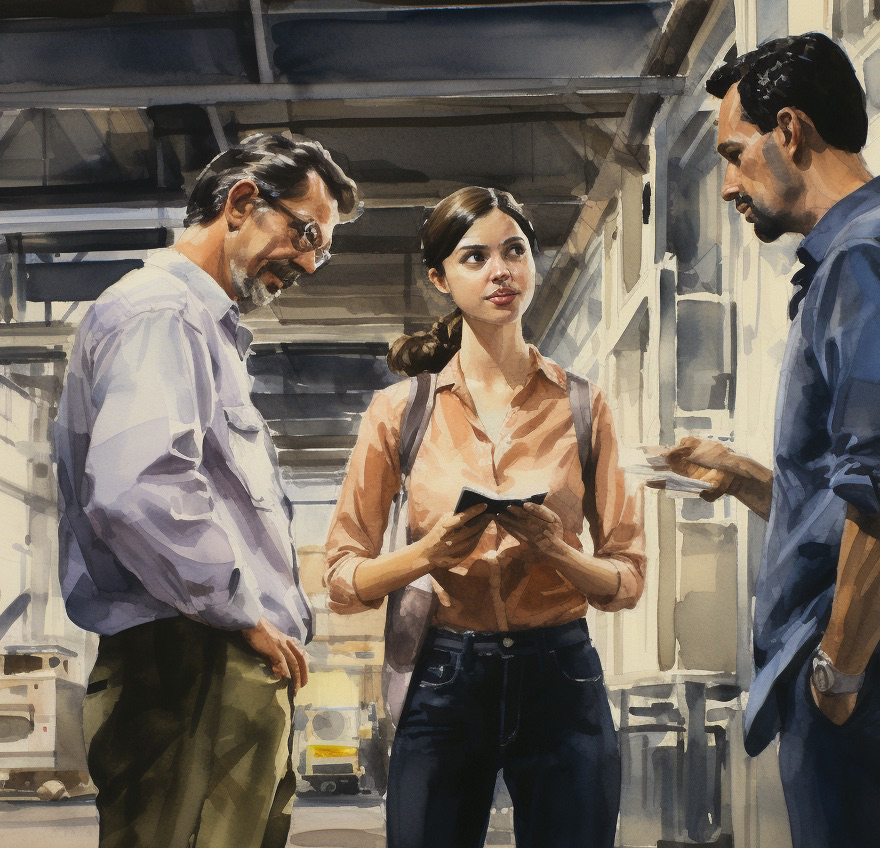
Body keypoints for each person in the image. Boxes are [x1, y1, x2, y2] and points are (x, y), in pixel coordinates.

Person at [663, 32, 880, 848]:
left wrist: (836, 673)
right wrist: (747, 477)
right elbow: (876, 479)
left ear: (789, 131)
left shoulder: (868, 257)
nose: (726, 187)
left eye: (733, 154)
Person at [55, 133, 358, 848]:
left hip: (213, 659)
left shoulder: (200, 325)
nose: (311, 261)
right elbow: (139, 487)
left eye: (324, 247)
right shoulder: (162, 312)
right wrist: (242, 613)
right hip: (192, 666)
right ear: (243, 201)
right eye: (305, 232)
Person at [324, 186, 645, 848]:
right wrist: (426, 556)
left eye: (515, 252)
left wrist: (557, 552)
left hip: (561, 673)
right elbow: (341, 578)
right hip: (443, 676)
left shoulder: (586, 407)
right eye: (475, 258)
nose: (501, 271)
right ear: (441, 278)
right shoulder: (399, 412)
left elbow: (628, 577)